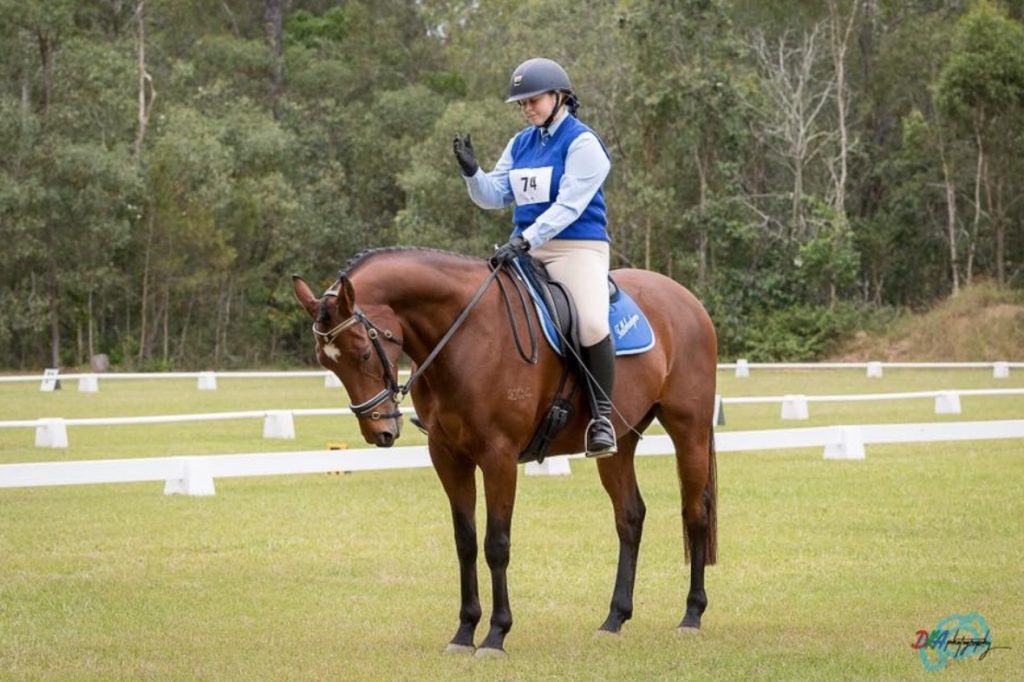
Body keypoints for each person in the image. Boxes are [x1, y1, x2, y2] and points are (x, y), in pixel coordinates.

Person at [452, 57, 616, 457]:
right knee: (479, 310)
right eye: (521, 103)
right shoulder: (520, 142)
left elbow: (569, 206)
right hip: (523, 247)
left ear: (560, 97)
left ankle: (602, 418)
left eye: (533, 100)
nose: (526, 109)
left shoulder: (583, 143)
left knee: (592, 324)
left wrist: (526, 239)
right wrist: (473, 173)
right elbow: (494, 196)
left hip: (575, 248)